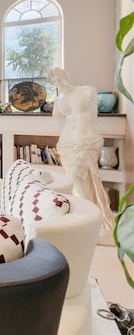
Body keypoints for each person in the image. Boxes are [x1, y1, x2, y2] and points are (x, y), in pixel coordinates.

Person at [48, 67, 114, 245]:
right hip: (67, 142)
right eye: (53, 82)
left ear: (66, 76)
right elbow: (55, 115)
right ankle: (87, 218)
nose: (57, 83)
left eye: (59, 79)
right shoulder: (59, 101)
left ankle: (90, 219)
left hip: (88, 140)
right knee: (76, 180)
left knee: (82, 177)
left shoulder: (87, 91)